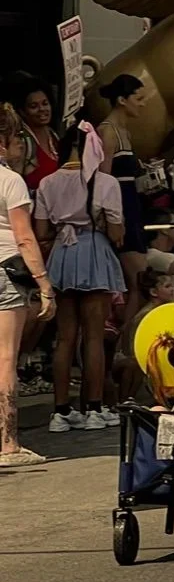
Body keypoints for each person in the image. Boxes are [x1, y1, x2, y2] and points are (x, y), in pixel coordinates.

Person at [33, 122, 125, 433]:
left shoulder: (47, 183)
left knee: (65, 337)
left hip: (62, 253)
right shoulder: (106, 183)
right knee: (94, 335)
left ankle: (60, 411)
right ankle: (94, 409)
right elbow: (116, 232)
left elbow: (42, 232)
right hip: (94, 251)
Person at [0, 149, 55, 467]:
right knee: (6, 358)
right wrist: (44, 283)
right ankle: (9, 445)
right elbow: (24, 236)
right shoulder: (10, 180)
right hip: (6, 268)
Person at [96, 73, 154, 308]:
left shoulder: (125, 132)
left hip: (132, 206)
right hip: (120, 211)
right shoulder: (107, 131)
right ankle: (128, 339)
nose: (143, 103)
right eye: (138, 98)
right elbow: (104, 179)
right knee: (140, 281)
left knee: (140, 282)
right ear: (122, 100)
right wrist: (113, 219)